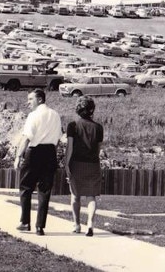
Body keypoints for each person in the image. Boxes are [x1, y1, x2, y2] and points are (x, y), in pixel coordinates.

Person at [14, 89, 62, 236]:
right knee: (45, 190)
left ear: (40, 99)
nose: (28, 102)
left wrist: (18, 156)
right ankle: (40, 226)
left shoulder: (33, 115)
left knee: (26, 186)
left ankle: (25, 222)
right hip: (50, 152)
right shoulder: (55, 115)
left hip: (34, 152)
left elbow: (27, 137)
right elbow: (58, 137)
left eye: (30, 99)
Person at [65, 96, 103, 237]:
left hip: (76, 163)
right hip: (93, 164)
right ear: (91, 110)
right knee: (91, 196)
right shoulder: (99, 128)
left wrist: (67, 165)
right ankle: (90, 225)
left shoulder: (73, 126)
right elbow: (98, 149)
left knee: (75, 196)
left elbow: (70, 147)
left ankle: (77, 224)